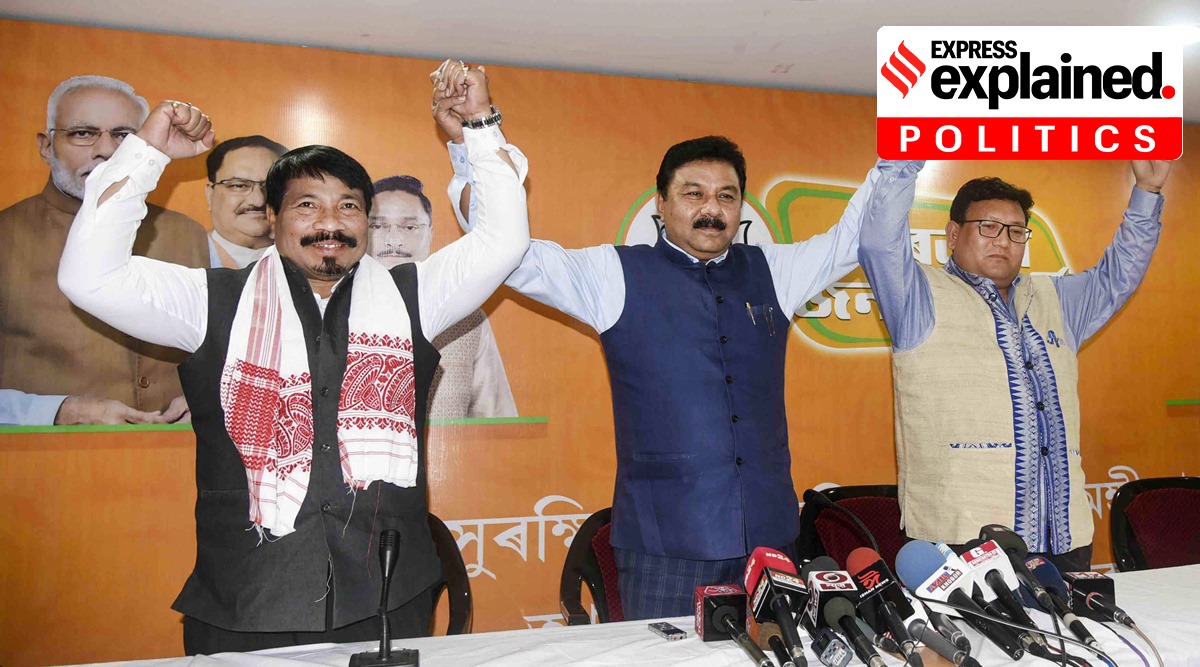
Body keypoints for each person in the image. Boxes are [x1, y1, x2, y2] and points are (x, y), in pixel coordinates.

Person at [58, 61, 529, 653]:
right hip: (248, 598)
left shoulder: (417, 296)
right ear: (273, 218)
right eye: (307, 206)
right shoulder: (207, 302)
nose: (330, 223)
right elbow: (88, 277)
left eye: (349, 206)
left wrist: (480, 128)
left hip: (385, 598)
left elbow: (503, 240)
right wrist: (146, 152)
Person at [436, 68, 913, 619]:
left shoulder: (775, 270)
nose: (711, 209)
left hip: (772, 543)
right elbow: (504, 248)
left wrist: (903, 150)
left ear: (741, 208)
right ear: (661, 204)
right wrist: (474, 136)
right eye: (693, 194)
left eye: (726, 196)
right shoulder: (613, 274)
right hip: (666, 549)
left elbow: (853, 238)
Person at [858, 160, 1171, 572]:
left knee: (1071, 639)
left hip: (1064, 539)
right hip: (962, 542)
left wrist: (1147, 191)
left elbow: (1118, 276)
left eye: (1016, 231)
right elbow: (879, 245)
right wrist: (905, 157)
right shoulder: (918, 297)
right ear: (953, 234)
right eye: (988, 226)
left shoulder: (1055, 298)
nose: (1003, 241)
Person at [0, 75, 209, 425]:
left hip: (182, 459)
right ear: (46, 146)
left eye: (124, 136)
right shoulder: (6, 236)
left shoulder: (189, 233)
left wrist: (209, 392)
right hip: (44, 466)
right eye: (83, 133)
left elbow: (232, 349)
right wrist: (55, 411)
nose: (107, 151)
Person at [368, 174, 517, 418]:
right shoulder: (337, 309)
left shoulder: (468, 319)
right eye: (377, 226)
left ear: (430, 234)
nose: (393, 240)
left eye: (409, 227)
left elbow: (495, 421)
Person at [204, 135, 289, 268]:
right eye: (239, 185)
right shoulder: (179, 259)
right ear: (210, 194)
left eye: (270, 186)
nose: (258, 200)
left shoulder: (310, 262)